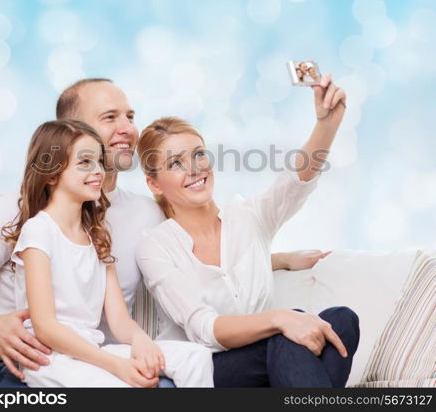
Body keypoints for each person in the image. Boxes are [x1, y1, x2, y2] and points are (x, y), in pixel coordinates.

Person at [0, 79, 167, 386]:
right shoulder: (15, 210)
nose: (128, 129)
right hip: (32, 365)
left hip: (105, 364)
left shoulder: (147, 213)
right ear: (70, 130)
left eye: (130, 117)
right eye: (110, 117)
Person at [135, 73, 359, 387]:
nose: (195, 169)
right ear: (154, 183)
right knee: (288, 332)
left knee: (341, 319)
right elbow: (205, 328)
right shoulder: (156, 246)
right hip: (210, 370)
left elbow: (295, 182)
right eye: (175, 163)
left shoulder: (247, 218)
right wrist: (280, 318)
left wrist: (327, 123)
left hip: (275, 360)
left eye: (199, 154)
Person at [5, 119, 213, 387]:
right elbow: (45, 327)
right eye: (84, 162)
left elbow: (119, 320)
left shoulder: (97, 235)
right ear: (51, 174)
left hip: (92, 350)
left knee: (196, 357)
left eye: (99, 162)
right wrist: (118, 366)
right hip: (51, 359)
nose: (98, 171)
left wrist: (141, 342)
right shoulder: (38, 231)